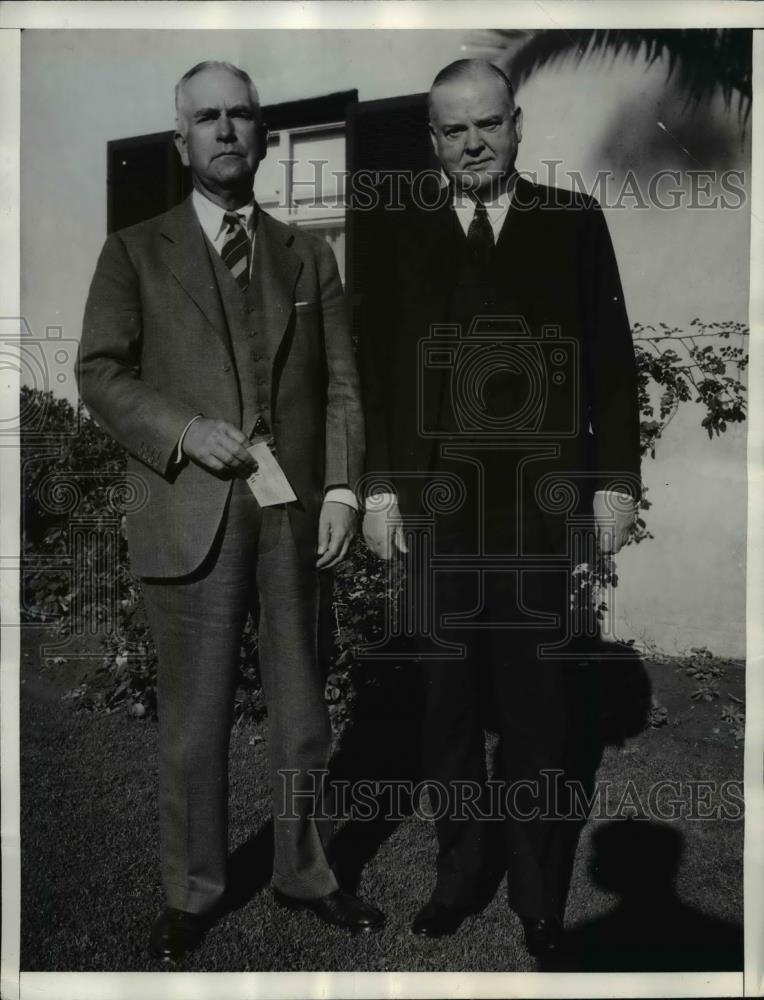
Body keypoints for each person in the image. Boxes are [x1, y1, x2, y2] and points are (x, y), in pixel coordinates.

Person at [77, 60, 383, 963]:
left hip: (294, 515)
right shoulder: (134, 251)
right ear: (182, 141)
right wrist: (182, 431)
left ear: (263, 134)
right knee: (194, 720)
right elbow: (99, 372)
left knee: (303, 714)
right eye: (205, 117)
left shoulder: (308, 255)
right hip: (191, 510)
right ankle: (194, 891)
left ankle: (306, 874)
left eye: (240, 116)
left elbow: (342, 386)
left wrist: (342, 489)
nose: (223, 130)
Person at [360, 59, 641, 960]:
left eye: (488, 124)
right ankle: (458, 878)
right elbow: (379, 374)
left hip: (535, 511)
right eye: (455, 130)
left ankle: (537, 892)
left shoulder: (572, 221)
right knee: (444, 706)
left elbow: (611, 362)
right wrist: (379, 490)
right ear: (433, 140)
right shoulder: (399, 232)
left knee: (536, 709)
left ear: (516, 124)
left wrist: (614, 483)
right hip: (435, 510)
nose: (473, 143)